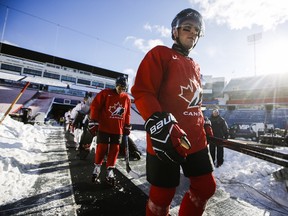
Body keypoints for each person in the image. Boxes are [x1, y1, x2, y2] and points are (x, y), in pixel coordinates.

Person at [131, 8, 216, 216]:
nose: (192, 33)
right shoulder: (160, 54)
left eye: (196, 31)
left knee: (206, 187)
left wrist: (204, 123)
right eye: (187, 28)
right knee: (162, 197)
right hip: (166, 138)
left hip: (195, 139)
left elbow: (195, 102)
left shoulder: (196, 66)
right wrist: (159, 123)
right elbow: (143, 91)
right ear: (175, 32)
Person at [89, 76, 131, 185]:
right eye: (120, 86)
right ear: (116, 85)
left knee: (115, 149)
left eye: (124, 87)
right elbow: (95, 106)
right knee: (101, 147)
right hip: (104, 126)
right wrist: (93, 120)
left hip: (118, 129)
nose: (121, 89)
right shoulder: (106, 93)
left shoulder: (126, 98)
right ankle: (97, 166)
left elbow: (127, 113)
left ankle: (110, 169)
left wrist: (127, 125)